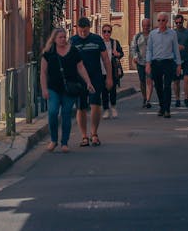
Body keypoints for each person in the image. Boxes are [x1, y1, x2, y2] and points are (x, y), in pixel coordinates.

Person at [39, 27, 94, 153]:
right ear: (54, 39)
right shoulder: (48, 52)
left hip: (70, 89)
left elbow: (80, 67)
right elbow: (43, 72)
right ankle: (53, 140)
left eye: (64, 37)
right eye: (60, 37)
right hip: (53, 88)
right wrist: (44, 89)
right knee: (52, 112)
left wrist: (88, 82)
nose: (63, 40)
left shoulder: (73, 51)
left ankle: (64, 142)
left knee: (66, 114)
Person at [70, 17, 111, 146]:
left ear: (89, 28)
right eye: (81, 31)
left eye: (85, 31)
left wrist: (109, 77)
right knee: (81, 107)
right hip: (78, 79)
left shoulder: (97, 39)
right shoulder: (72, 41)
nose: (83, 34)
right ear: (77, 29)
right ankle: (84, 136)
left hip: (95, 77)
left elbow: (105, 60)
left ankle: (94, 134)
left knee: (95, 104)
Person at [145, 12, 182, 117]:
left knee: (167, 86)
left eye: (163, 20)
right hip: (156, 63)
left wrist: (179, 65)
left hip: (168, 62)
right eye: (159, 20)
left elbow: (176, 50)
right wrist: (148, 63)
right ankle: (162, 106)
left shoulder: (172, 34)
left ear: (167, 21)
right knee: (158, 86)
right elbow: (149, 50)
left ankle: (167, 109)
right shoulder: (152, 34)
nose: (161, 22)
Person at [172, 14, 188, 108]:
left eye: (180, 22)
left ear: (183, 22)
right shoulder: (172, 33)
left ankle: (186, 98)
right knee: (176, 81)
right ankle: (177, 99)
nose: (178, 24)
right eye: (177, 23)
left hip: (186, 59)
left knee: (187, 78)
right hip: (175, 60)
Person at [99, 24, 124, 118]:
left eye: (108, 31)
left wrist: (117, 54)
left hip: (113, 70)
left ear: (111, 32)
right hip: (101, 70)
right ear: (102, 32)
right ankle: (105, 109)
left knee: (113, 90)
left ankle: (113, 107)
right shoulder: (100, 43)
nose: (106, 33)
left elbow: (121, 53)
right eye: (104, 31)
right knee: (104, 91)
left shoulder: (114, 43)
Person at [129, 17, 153, 108]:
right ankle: (144, 97)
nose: (146, 27)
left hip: (151, 63)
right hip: (140, 62)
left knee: (149, 80)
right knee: (142, 81)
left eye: (147, 25)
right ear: (142, 26)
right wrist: (135, 57)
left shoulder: (153, 35)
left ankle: (148, 100)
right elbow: (133, 48)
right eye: (144, 25)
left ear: (150, 26)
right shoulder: (137, 36)